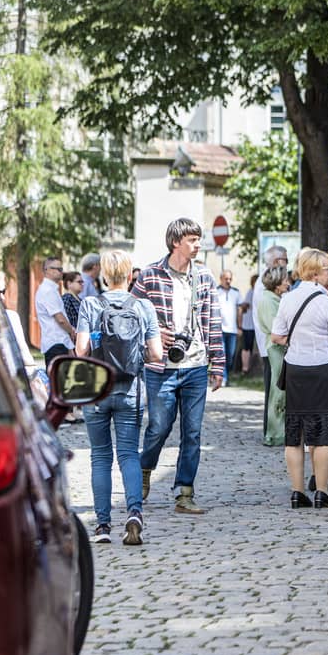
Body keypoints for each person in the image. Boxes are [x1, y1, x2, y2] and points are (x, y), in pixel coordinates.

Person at [133, 218, 225, 515]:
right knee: (159, 427)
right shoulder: (149, 275)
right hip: (160, 366)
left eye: (199, 239)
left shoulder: (204, 277)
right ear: (176, 242)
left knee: (192, 432)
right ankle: (144, 469)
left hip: (195, 365)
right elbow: (130, 316)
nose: (198, 245)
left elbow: (213, 321)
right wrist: (152, 334)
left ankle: (184, 493)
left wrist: (217, 364)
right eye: (192, 240)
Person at [75, 250, 163, 545]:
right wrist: (134, 356)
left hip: (96, 391)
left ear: (103, 275)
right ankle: (134, 513)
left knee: (100, 456)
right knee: (128, 454)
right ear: (129, 276)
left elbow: (81, 351)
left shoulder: (90, 304)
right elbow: (156, 354)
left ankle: (102, 526)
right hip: (130, 390)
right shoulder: (143, 306)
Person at [270, 248, 328, 510]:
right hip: (323, 368)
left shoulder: (287, 299)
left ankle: (297, 491)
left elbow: (277, 336)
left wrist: (299, 340)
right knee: (324, 433)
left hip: (296, 368)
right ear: (315, 273)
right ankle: (322, 491)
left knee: (295, 434)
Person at [254, 247, 288, 434]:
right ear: (276, 261)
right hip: (271, 345)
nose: (287, 264)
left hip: (270, 344)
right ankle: (273, 431)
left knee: (276, 389)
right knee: (274, 390)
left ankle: (274, 429)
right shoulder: (265, 288)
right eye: (285, 260)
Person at [35, 257, 76, 368]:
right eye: (59, 269)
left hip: (59, 343)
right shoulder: (47, 291)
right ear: (47, 270)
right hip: (56, 344)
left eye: (61, 269)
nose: (61, 272)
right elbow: (60, 319)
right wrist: (72, 331)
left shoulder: (51, 290)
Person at [215, 269, 241, 386]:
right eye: (226, 279)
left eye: (230, 279)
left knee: (230, 356)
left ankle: (227, 376)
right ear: (221, 279)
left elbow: (239, 310)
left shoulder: (236, 292)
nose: (228, 281)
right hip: (219, 329)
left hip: (233, 329)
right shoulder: (215, 291)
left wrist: (240, 327)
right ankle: (223, 378)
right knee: (223, 354)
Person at [238, 274, 257, 374]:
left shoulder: (255, 292)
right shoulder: (251, 292)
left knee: (249, 347)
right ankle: (245, 368)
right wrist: (240, 325)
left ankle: (247, 367)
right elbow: (244, 307)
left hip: (253, 325)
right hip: (249, 325)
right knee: (247, 347)